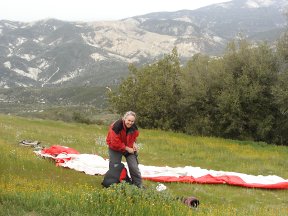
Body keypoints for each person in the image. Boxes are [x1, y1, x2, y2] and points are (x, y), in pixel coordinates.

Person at [106, 111, 143, 188]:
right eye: (128, 120)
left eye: (132, 121)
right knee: (115, 166)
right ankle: (113, 184)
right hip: (115, 148)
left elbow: (134, 137)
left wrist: (133, 143)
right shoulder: (116, 126)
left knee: (134, 167)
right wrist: (127, 149)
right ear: (124, 119)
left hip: (128, 147)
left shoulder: (134, 127)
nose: (130, 123)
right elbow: (115, 143)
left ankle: (138, 185)